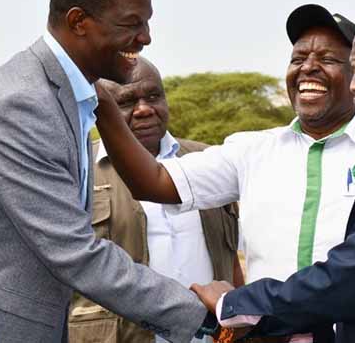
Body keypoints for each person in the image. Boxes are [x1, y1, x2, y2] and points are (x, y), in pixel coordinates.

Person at [0, 0, 209, 343]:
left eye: (147, 23)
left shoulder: (73, 95)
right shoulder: (22, 105)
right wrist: (205, 315)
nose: (146, 38)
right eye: (132, 23)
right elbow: (76, 254)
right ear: (78, 21)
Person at [95, 4, 355, 341]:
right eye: (298, 58)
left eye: (329, 60)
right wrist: (99, 97)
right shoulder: (250, 150)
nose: (309, 68)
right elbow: (153, 182)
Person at [68, 57, 243, 343]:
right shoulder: (78, 168)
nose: (144, 109)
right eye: (126, 102)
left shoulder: (208, 161)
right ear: (103, 111)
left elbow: (231, 257)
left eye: (153, 96)